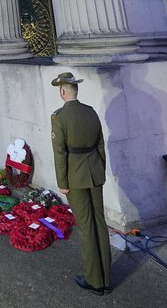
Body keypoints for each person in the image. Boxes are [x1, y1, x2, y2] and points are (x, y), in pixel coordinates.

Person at [50, 71, 112, 296]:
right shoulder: (91, 112)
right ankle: (106, 276)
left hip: (75, 176)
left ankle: (94, 280)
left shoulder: (59, 117)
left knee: (86, 226)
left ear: (62, 92)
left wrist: (62, 182)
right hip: (95, 173)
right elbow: (100, 146)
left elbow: (60, 153)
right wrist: (100, 171)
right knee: (99, 222)